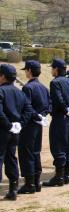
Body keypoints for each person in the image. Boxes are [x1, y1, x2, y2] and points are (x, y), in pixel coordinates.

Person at [43, 59, 69, 187]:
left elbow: (58, 99)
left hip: (60, 118)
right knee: (68, 146)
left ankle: (59, 177)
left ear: (57, 69)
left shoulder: (55, 82)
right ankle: (66, 175)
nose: (51, 70)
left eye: (52, 68)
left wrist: (65, 109)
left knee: (58, 147)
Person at [18, 60, 51, 194]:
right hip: (39, 124)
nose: (25, 72)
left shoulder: (28, 88)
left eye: (26, 70)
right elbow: (49, 104)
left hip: (30, 124)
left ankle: (29, 183)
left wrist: (36, 116)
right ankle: (36, 182)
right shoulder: (44, 87)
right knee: (36, 152)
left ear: (30, 71)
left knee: (27, 153)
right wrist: (42, 116)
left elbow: (27, 107)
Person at [0, 64, 32, 200]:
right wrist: (20, 124)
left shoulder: (1, 91)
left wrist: (8, 125)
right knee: (11, 158)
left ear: (2, 76)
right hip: (15, 131)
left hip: (2, 129)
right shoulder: (20, 92)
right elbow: (28, 110)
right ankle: (13, 188)